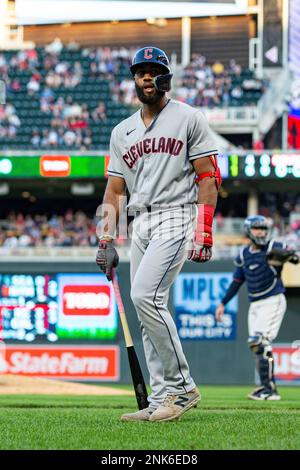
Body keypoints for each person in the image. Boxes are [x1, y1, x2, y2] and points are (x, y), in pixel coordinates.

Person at [96, 46, 221, 422]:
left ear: (166, 77)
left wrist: (204, 232)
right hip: (140, 222)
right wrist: (106, 239)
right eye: (140, 72)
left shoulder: (188, 117)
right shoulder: (122, 131)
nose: (147, 77)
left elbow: (208, 177)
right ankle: (160, 397)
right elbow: (115, 191)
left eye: (154, 71)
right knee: (147, 306)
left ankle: (182, 388)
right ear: (133, 79)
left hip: (176, 215)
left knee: (144, 295)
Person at [215, 215, 299, 401]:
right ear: (248, 231)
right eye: (257, 228)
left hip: (273, 300)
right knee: (256, 346)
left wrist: (291, 254)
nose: (261, 232)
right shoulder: (244, 255)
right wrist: (222, 303)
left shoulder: (272, 247)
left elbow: (293, 256)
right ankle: (265, 387)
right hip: (255, 305)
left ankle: (270, 390)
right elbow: (237, 281)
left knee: (259, 341)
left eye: (263, 228)